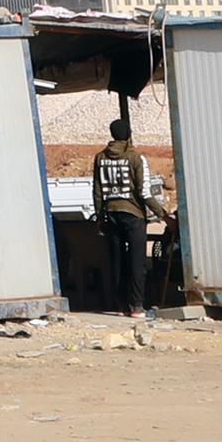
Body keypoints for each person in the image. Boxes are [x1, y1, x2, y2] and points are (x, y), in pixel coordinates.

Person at [92, 113, 160, 319]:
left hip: (111, 214)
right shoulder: (136, 158)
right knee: (137, 261)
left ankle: (120, 305)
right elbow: (144, 192)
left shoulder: (100, 157)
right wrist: (162, 214)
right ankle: (137, 306)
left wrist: (99, 216)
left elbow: (96, 190)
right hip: (133, 215)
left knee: (117, 260)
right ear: (129, 135)